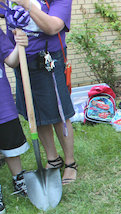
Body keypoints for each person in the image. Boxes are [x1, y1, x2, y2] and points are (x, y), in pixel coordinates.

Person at [4, 0, 77, 185]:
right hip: (21, 58)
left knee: (59, 113)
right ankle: (53, 159)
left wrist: (26, 5)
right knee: (36, 113)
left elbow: (53, 27)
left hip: (48, 59)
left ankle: (70, 163)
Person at [0, 27, 30, 214]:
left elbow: (11, 61)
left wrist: (20, 45)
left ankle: (19, 180)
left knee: (12, 147)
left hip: (2, 103)